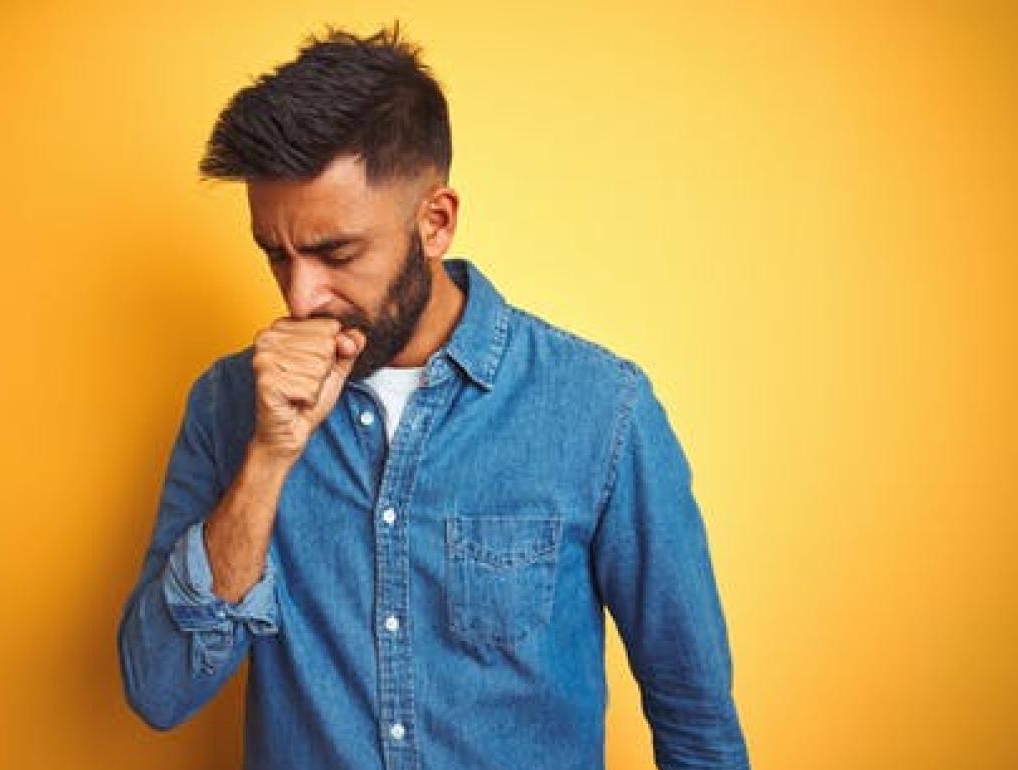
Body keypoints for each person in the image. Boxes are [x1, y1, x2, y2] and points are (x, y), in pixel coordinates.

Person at [117, 22, 751, 770]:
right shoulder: (228, 407)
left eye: (335, 252)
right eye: (275, 256)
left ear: (435, 223)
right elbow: (159, 691)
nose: (301, 296)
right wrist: (267, 458)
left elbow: (697, 724)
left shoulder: (601, 411)